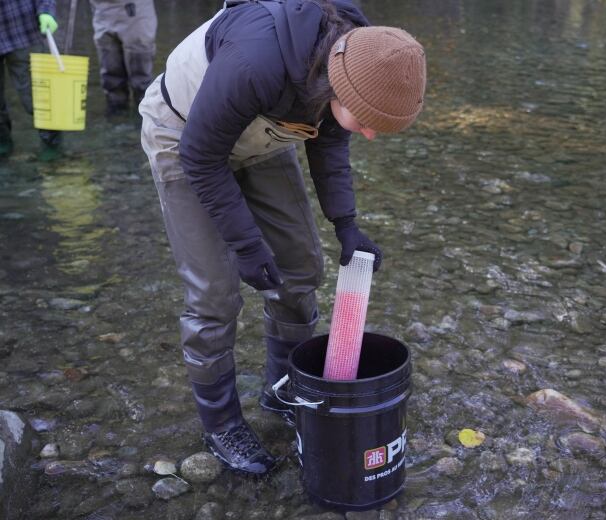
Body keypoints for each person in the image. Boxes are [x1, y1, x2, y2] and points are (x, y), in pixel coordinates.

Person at [139, 0, 426, 477]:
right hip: (185, 136)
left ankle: (282, 388)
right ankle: (222, 423)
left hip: (263, 133)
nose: (371, 135)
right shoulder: (256, 62)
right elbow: (203, 158)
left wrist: (346, 224)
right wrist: (247, 246)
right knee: (215, 296)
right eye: (369, 122)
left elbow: (330, 138)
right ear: (340, 83)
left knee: (301, 267)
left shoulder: (360, 57)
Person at [0, 0, 63, 161]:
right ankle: (3, 145)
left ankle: (52, 147)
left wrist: (46, 11)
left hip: (23, 30)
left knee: (37, 96)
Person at [89, 0, 156, 116]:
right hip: (101, 9)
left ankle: (145, 121)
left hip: (135, 8)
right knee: (111, 75)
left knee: (142, 79)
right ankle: (116, 120)